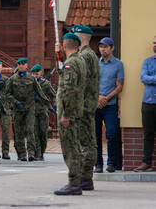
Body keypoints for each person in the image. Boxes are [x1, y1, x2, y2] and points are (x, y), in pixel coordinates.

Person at [53, 33, 86, 196]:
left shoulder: (70, 64)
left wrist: (65, 114)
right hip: (77, 110)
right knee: (76, 146)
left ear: (65, 46)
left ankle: (74, 183)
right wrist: (58, 56)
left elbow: (68, 90)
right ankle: (77, 181)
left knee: (70, 148)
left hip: (69, 113)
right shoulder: (80, 60)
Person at [72, 25, 99, 190]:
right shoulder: (89, 55)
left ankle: (85, 177)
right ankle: (86, 178)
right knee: (87, 141)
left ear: (81, 38)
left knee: (85, 143)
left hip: (83, 105)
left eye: (74, 36)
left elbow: (78, 80)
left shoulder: (85, 56)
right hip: (87, 103)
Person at [6, 58, 49, 162]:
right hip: (18, 109)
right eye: (19, 64)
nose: (21, 66)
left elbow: (39, 92)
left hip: (30, 108)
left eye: (23, 64)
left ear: (26, 65)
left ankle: (31, 153)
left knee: (30, 130)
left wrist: (48, 103)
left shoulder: (31, 78)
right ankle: (21, 154)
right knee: (19, 131)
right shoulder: (12, 79)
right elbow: (7, 93)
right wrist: (15, 102)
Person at [94, 37, 124, 173]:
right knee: (95, 135)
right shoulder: (95, 64)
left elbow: (119, 87)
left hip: (110, 105)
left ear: (112, 48)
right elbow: (91, 84)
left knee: (112, 133)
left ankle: (111, 163)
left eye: (105, 47)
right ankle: (97, 164)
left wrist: (105, 98)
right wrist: (98, 97)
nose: (102, 49)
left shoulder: (118, 64)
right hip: (95, 104)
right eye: (101, 47)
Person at [134, 36, 156, 172]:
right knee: (148, 133)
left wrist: (150, 80)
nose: (155, 45)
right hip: (148, 102)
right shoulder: (147, 62)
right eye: (154, 43)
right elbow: (143, 77)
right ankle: (146, 162)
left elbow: (147, 79)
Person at [31, 64, 56, 161]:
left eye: (36, 73)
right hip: (32, 110)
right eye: (33, 73)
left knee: (43, 132)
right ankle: (37, 153)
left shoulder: (45, 84)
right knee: (35, 133)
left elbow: (53, 95)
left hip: (42, 110)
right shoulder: (29, 83)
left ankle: (42, 152)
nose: (35, 75)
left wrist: (55, 105)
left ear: (40, 73)